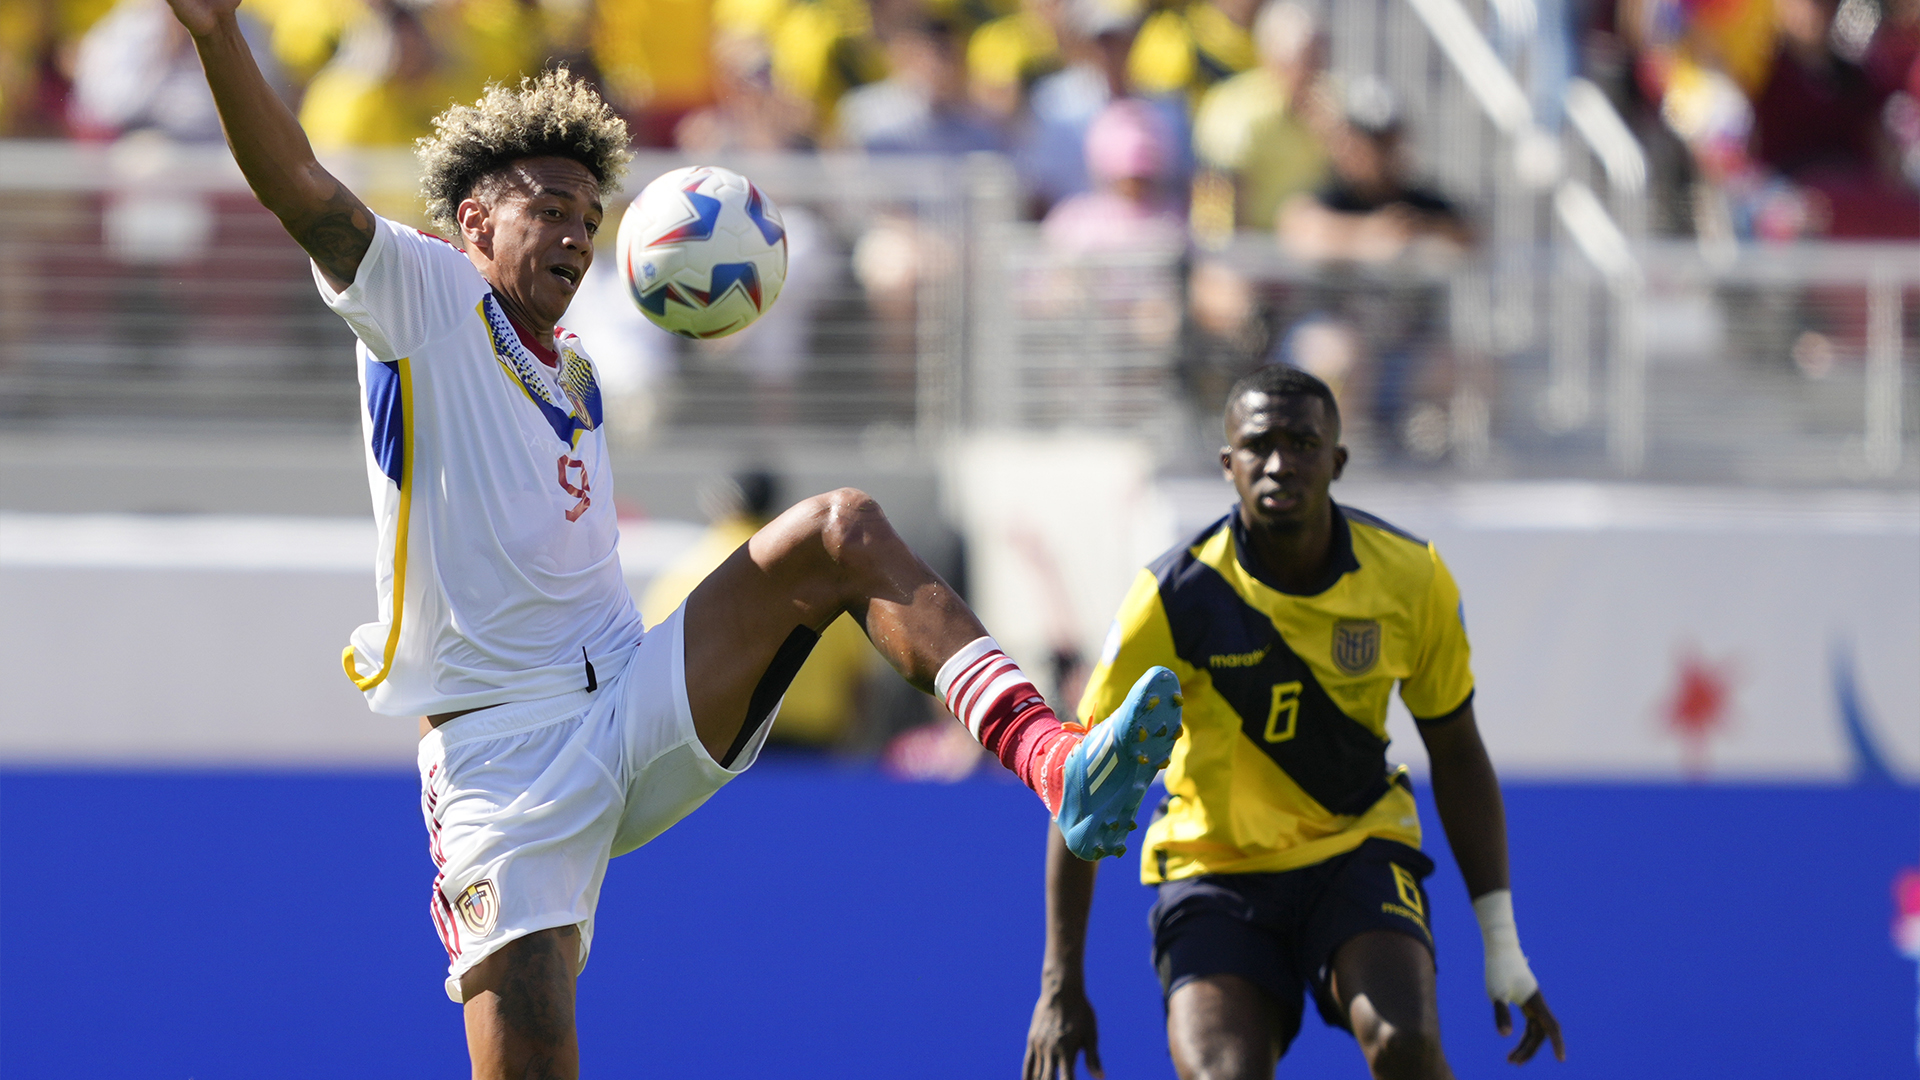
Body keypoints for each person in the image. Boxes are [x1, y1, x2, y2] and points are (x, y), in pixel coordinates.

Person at [163, 2, 1180, 1075]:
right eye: (548, 209)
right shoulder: (424, 295)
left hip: (631, 696)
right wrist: (218, 35)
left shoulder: (581, 367)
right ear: (472, 221)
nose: (574, 234)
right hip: (503, 765)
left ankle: (1056, 759)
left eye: (588, 218)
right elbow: (302, 193)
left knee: (839, 530)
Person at [1024, 365, 1564, 1080]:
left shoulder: (1410, 578)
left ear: (1337, 460)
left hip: (1357, 849)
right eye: (1259, 444)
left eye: (1303, 443)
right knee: (1222, 1075)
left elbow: (1458, 754)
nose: (1280, 463)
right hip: (1215, 869)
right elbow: (1083, 790)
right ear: (1228, 464)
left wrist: (1502, 943)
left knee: (1404, 1044)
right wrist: (1060, 982)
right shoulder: (1172, 599)